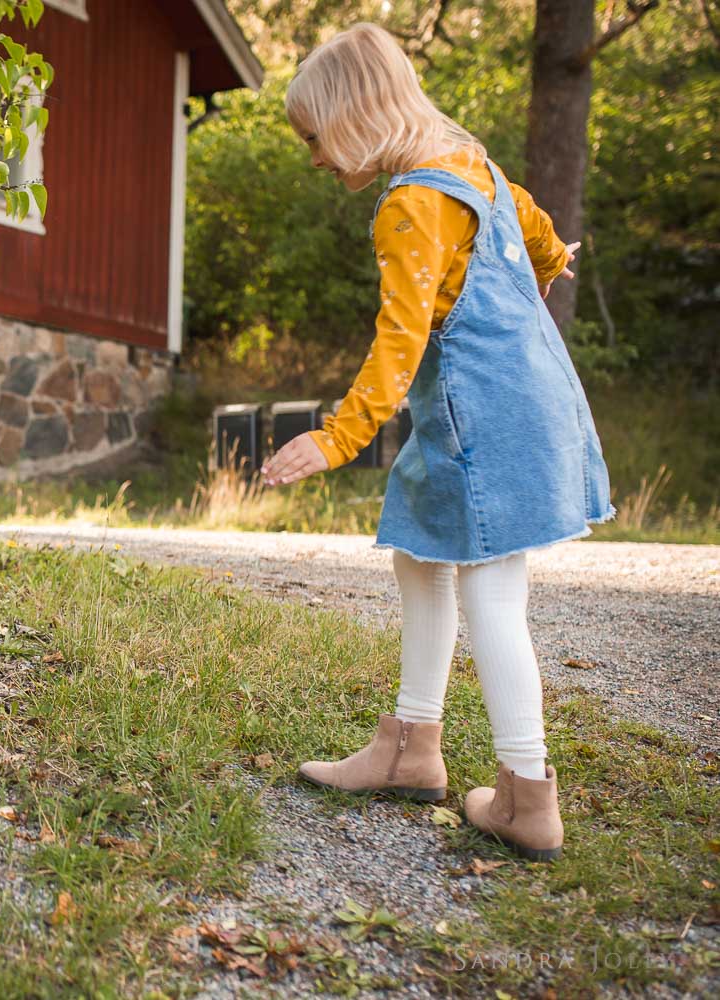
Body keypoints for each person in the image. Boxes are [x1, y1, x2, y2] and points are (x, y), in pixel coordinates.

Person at [260, 23, 614, 862]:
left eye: (315, 139)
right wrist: (551, 259)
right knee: (420, 552)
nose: (315, 158)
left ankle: (527, 795)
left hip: (479, 417)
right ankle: (411, 746)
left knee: (493, 594)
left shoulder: (412, 202)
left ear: (353, 116)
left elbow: (400, 340)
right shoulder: (472, 168)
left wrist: (337, 436)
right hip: (528, 402)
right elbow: (538, 234)